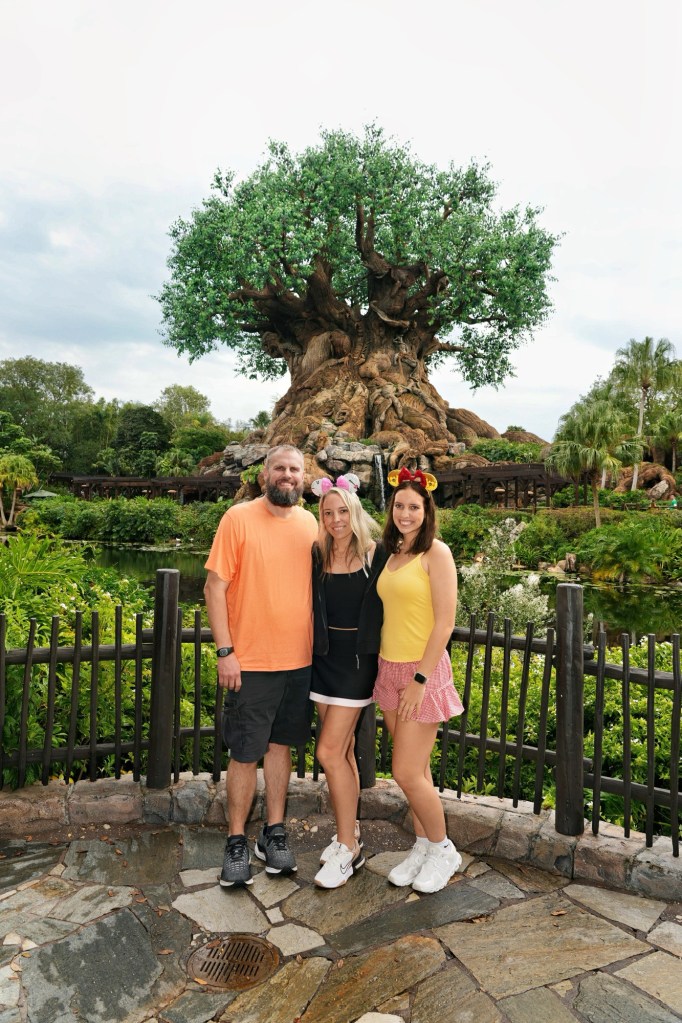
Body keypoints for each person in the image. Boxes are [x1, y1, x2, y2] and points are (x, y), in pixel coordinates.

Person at [204, 444, 318, 887]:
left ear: (303, 477)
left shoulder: (310, 523)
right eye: (279, 468)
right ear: (264, 474)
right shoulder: (238, 518)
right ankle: (235, 841)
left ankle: (273, 834)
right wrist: (225, 651)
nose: (287, 476)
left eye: (294, 469)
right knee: (245, 752)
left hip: (299, 662)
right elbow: (216, 588)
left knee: (280, 748)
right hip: (249, 662)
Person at [374, 466, 464, 894]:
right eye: (399, 506)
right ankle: (423, 845)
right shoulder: (391, 556)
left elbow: (445, 624)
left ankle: (444, 849)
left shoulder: (437, 554)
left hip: (419, 673)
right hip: (388, 670)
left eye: (414, 507)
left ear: (427, 511)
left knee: (405, 772)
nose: (405, 514)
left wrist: (420, 679)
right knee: (419, 771)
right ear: (390, 509)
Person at [309, 474, 388, 889]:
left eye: (342, 511)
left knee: (328, 752)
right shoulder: (317, 554)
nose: (336, 519)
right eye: (328, 513)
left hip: (357, 667)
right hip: (322, 662)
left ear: (355, 512)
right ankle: (351, 832)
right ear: (320, 518)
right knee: (343, 754)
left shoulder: (375, 554)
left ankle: (347, 848)